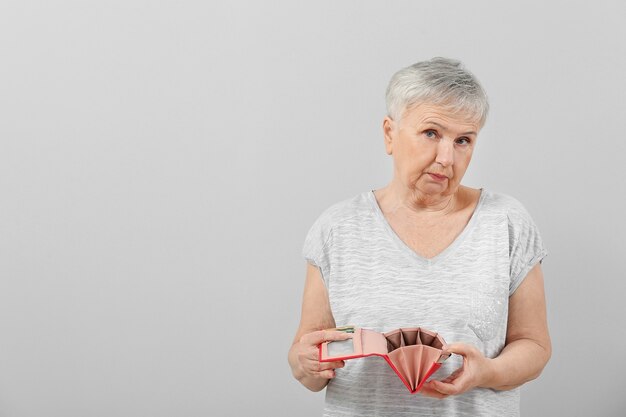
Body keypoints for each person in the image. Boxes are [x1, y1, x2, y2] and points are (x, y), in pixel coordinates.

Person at [287, 57, 551, 416]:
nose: (446, 157)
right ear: (390, 134)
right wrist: (305, 364)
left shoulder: (506, 223)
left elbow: (534, 346)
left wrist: (486, 371)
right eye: (431, 133)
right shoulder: (338, 228)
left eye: (463, 140)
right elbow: (309, 354)